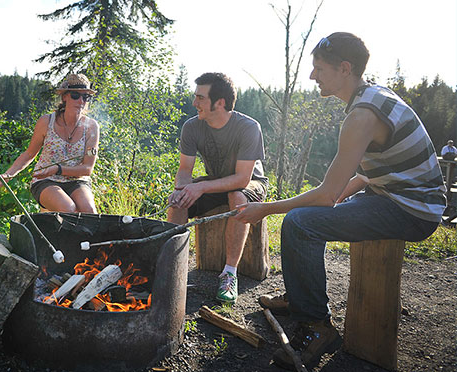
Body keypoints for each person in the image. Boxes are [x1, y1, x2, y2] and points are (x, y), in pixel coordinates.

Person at [234, 32, 446, 370]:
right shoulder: (373, 96)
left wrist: (265, 209)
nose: (312, 76)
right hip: (396, 194)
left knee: (300, 223)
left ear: (344, 68)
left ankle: (317, 327)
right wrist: (336, 200)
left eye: (319, 68)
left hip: (413, 209)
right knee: (308, 216)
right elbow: (369, 173)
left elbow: (326, 194)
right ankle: (301, 296)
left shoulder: (362, 116)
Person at [167, 72, 268, 304]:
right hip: (215, 179)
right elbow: (184, 171)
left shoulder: (249, 127)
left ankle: (229, 274)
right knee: (177, 201)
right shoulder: (192, 127)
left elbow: (242, 179)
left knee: (237, 196)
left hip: (250, 182)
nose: (195, 103)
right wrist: (182, 189)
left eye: (200, 98)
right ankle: (171, 270)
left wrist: (200, 188)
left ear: (220, 103)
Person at [0, 73, 99, 213]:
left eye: (86, 97)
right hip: (46, 180)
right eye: (75, 95)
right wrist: (8, 174)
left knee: (89, 210)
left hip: (77, 181)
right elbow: (29, 153)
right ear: (65, 96)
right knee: (68, 208)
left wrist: (58, 169)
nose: (81, 101)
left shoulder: (91, 127)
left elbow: (87, 169)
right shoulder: (46, 122)